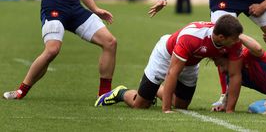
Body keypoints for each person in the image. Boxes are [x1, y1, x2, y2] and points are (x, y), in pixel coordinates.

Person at [95, 15, 244, 113]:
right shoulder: (191, 37)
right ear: (221, 37)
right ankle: (121, 92)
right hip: (166, 56)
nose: (238, 41)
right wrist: (166, 109)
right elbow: (172, 72)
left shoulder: (233, 41)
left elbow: (235, 75)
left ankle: (154, 90)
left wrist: (230, 110)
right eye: (234, 39)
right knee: (140, 105)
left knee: (181, 106)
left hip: (191, 63)